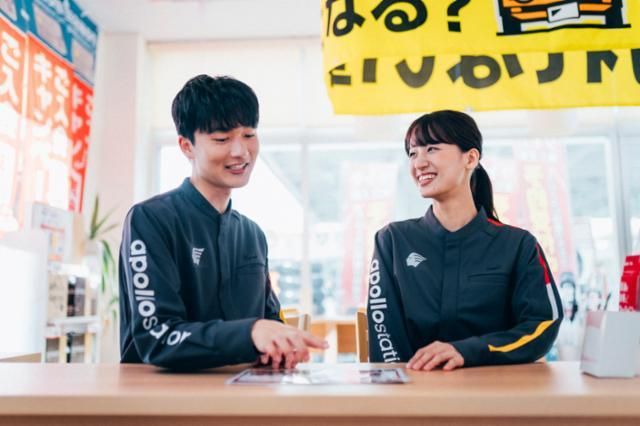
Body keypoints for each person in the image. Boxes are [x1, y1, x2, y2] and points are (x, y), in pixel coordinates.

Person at [119, 74, 327, 370]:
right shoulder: (151, 219)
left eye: (249, 134)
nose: (240, 151)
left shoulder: (252, 234)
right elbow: (158, 338)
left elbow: (269, 321)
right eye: (222, 139)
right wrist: (250, 333)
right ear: (186, 146)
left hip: (241, 392)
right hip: (161, 395)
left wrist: (282, 345)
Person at [367, 110, 563, 371]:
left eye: (432, 149)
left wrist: (470, 351)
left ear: (470, 158)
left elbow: (542, 324)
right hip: (416, 387)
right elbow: (384, 333)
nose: (419, 163)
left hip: (498, 388)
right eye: (413, 153)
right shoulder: (392, 240)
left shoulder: (519, 245)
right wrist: (408, 382)